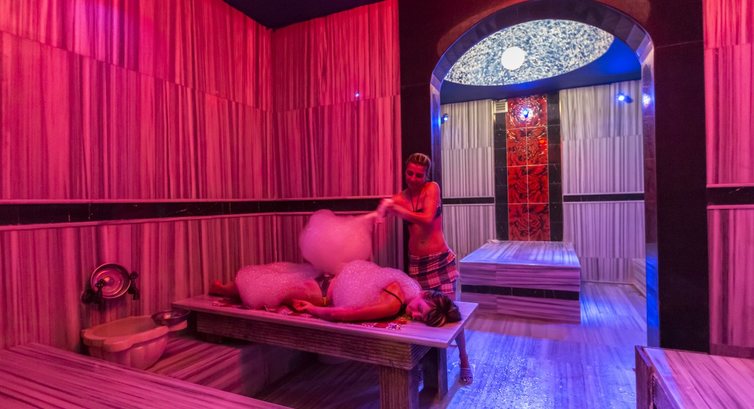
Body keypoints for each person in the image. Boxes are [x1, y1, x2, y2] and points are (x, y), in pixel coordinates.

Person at [380, 152, 473, 385]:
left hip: (440, 260)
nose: (413, 178)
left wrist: (397, 209)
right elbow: (383, 209)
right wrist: (380, 212)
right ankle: (420, 365)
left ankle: (464, 358)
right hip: (417, 264)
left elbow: (427, 218)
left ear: (426, 176)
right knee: (419, 318)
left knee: (452, 313)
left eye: (419, 175)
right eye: (410, 173)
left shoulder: (432, 188)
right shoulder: (401, 197)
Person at [292, 281, 461, 327]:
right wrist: (312, 308)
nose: (414, 315)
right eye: (419, 308)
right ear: (424, 294)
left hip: (330, 284)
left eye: (420, 318)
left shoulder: (410, 287)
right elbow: (339, 314)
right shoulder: (393, 304)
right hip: (320, 292)